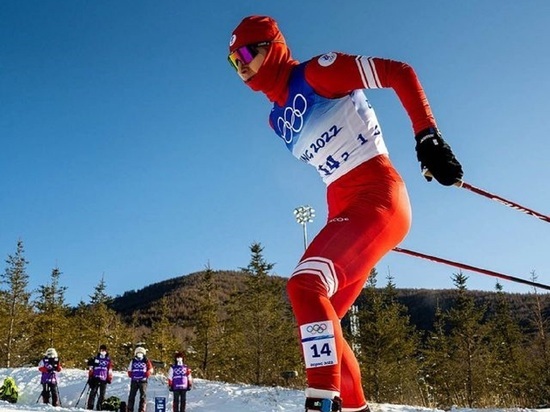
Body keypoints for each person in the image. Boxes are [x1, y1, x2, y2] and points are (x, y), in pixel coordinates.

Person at [227, 16, 463, 412]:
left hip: (378, 196)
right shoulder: (274, 118)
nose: (243, 66)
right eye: (234, 62)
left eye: (248, 52)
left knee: (304, 287)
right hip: (343, 208)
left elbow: (398, 72)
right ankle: (356, 408)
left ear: (274, 45)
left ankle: (322, 399)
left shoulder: (319, 72)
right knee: (324, 323)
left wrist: (427, 135)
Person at [87, 344, 114, 410]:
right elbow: (91, 367)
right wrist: (90, 376)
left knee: (102, 394)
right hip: (95, 377)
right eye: (101, 350)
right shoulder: (96, 358)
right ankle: (90, 406)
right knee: (93, 392)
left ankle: (99, 407)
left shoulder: (108, 359)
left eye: (104, 350)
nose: (103, 351)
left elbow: (110, 369)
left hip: (104, 378)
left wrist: (109, 378)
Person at [127, 346, 154, 412]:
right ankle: (130, 409)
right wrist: (131, 375)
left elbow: (151, 369)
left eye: (141, 352)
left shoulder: (146, 361)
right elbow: (129, 370)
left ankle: (141, 409)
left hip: (143, 381)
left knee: (143, 396)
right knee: (131, 396)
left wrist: (147, 374)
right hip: (134, 380)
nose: (139, 354)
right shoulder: (133, 361)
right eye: (138, 352)